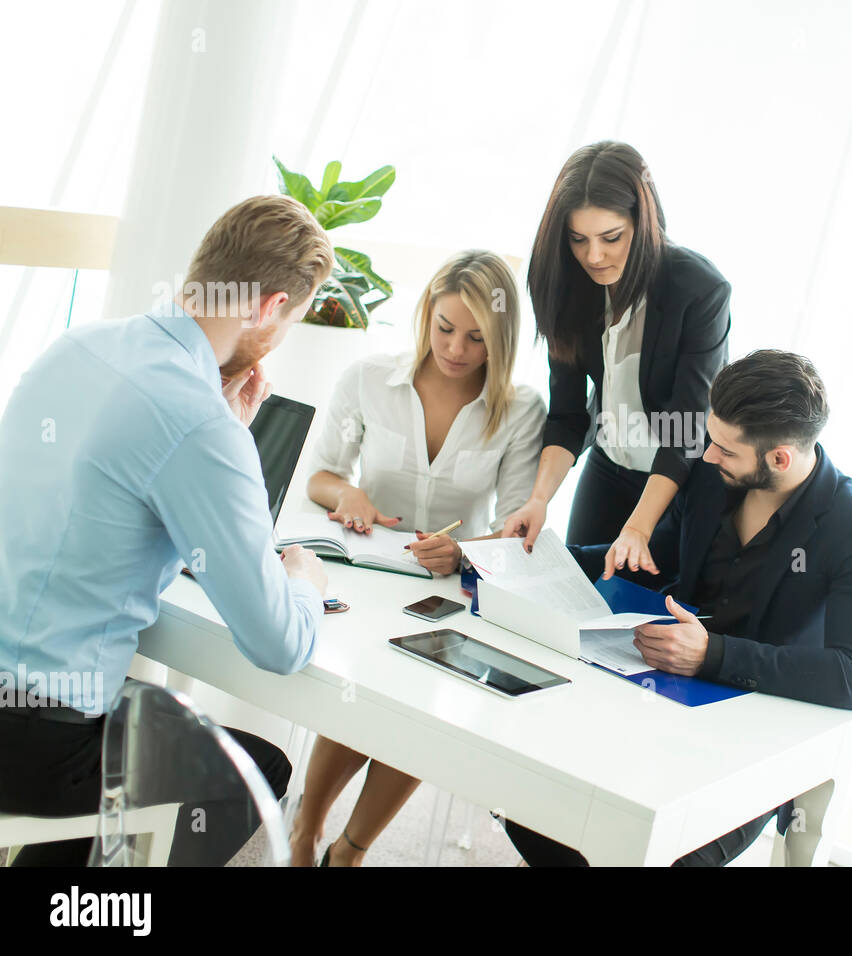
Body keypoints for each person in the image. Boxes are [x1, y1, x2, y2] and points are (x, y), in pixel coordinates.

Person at [0, 194, 334, 865]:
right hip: (40, 744)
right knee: (258, 773)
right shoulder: (200, 424)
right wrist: (303, 579)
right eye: (291, 321)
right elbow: (279, 642)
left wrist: (220, 444)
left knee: (139, 720)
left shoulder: (77, 344)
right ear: (270, 307)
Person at [502, 350, 852, 866]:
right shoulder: (714, 476)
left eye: (725, 449)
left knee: (659, 858)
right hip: (652, 698)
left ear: (779, 458)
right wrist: (514, 559)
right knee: (537, 813)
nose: (706, 456)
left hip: (747, 741)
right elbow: (647, 558)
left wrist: (711, 655)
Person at [289, 250, 545, 867]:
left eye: (478, 337)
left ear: (502, 339)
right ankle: (304, 834)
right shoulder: (369, 378)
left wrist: (462, 550)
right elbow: (318, 477)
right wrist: (348, 492)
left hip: (449, 586)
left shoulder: (521, 410)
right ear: (426, 315)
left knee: (421, 715)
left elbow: (516, 530)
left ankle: (348, 853)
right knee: (361, 689)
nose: (456, 348)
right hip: (365, 576)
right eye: (445, 328)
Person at [501, 141, 731, 581]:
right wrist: (538, 499)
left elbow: (687, 427)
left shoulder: (699, 289)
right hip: (609, 465)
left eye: (611, 238)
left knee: (643, 620)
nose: (593, 256)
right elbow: (568, 414)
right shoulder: (564, 283)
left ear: (642, 224)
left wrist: (640, 526)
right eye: (578, 239)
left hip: (679, 480)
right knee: (570, 594)